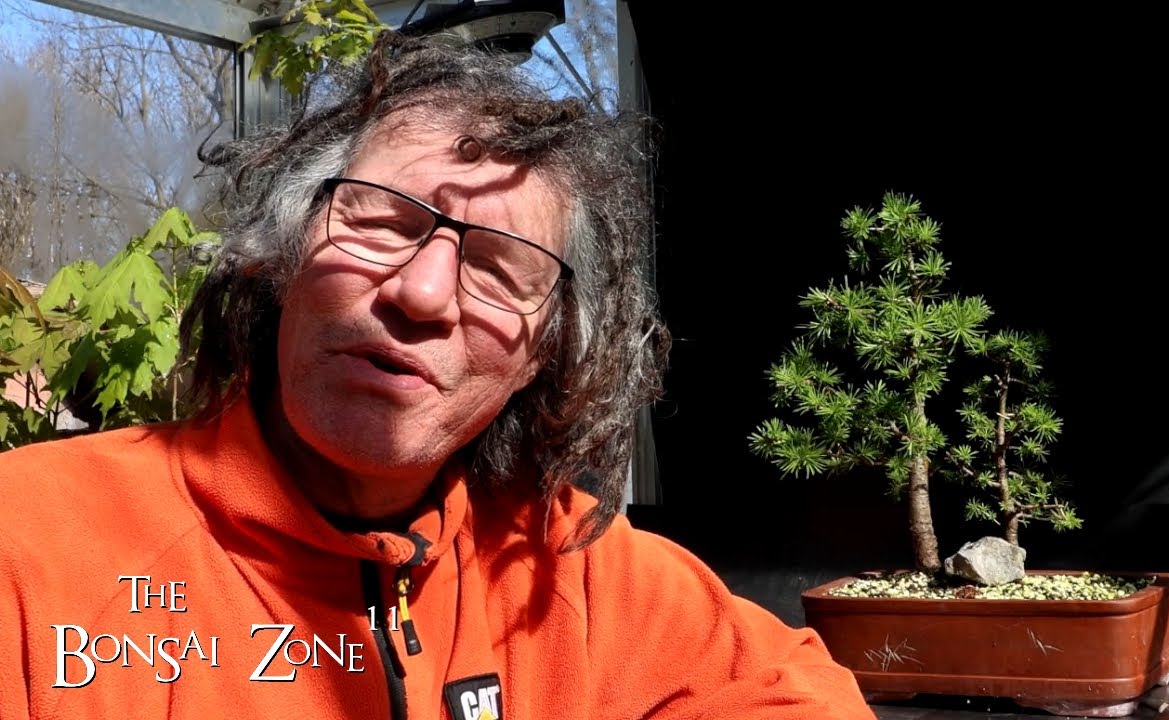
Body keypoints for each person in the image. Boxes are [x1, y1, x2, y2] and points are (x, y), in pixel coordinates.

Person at [0, 31, 874, 720]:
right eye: (381, 224)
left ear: (543, 355)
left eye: (498, 268)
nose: (421, 294)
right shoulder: (32, 545)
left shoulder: (576, 572)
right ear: (280, 255)